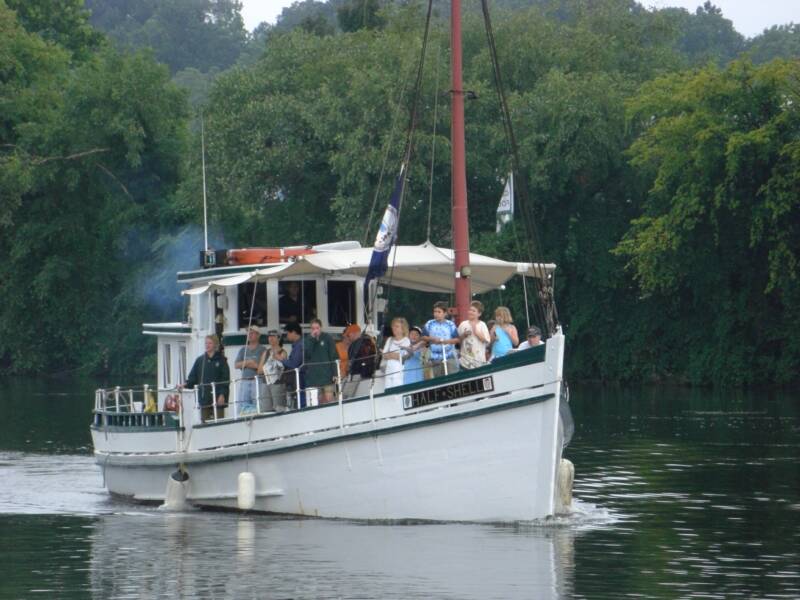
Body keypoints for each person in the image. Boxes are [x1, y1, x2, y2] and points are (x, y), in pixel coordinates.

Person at [180, 335, 229, 422]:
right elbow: (193, 377)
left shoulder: (222, 360)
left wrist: (222, 394)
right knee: (204, 422)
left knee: (219, 422)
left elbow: (225, 379)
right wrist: (185, 384)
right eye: (206, 343)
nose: (207, 345)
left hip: (218, 396)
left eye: (210, 343)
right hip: (204, 396)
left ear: (215, 345)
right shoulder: (200, 360)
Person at [304, 318, 338, 404]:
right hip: (313, 377)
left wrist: (335, 373)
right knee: (317, 401)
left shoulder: (327, 338)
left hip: (327, 376)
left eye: (317, 328)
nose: (315, 330)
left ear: (321, 328)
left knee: (330, 399)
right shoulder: (307, 340)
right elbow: (307, 355)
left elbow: (333, 356)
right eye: (313, 328)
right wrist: (312, 339)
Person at [422, 301, 459, 377]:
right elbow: (423, 337)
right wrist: (432, 339)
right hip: (435, 358)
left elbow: (457, 339)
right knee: (438, 381)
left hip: (449, 357)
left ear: (445, 313)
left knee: (452, 379)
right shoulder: (429, 323)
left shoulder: (450, 324)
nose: (436, 314)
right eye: (435, 312)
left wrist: (445, 341)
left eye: (439, 312)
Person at [234, 325, 265, 415]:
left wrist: (252, 364)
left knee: (258, 406)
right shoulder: (243, 350)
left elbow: (262, 368)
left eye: (252, 333)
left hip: (257, 381)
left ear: (258, 335)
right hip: (244, 381)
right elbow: (236, 365)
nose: (249, 335)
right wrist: (248, 362)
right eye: (248, 333)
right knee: (243, 408)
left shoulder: (263, 350)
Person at [257, 329, 288, 412]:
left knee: (279, 408)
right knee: (265, 409)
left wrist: (267, 368)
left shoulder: (283, 352)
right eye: (269, 336)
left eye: (273, 336)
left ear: (279, 338)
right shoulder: (266, 352)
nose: (270, 338)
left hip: (278, 384)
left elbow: (279, 369)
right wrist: (270, 368)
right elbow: (259, 370)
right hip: (265, 383)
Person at [344, 331, 380, 398]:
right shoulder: (369, 343)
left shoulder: (354, 344)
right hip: (365, 373)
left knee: (348, 395)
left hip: (354, 372)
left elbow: (350, 356)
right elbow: (372, 358)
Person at [457, 300, 490, 369]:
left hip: (479, 361)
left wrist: (477, 333)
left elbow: (487, 341)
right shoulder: (463, 324)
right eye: (470, 310)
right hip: (464, 361)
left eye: (473, 311)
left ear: (479, 314)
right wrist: (463, 335)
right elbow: (457, 341)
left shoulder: (482, 325)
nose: (470, 312)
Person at [280, 322, 305, 408]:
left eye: (288, 333)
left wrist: (282, 360)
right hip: (298, 380)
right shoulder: (298, 345)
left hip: (301, 379)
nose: (287, 336)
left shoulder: (300, 345)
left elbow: (295, 364)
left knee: (301, 402)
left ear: (294, 332)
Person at [381, 317, 411, 389]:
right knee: (388, 391)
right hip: (388, 371)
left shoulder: (406, 341)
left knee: (398, 391)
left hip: (399, 372)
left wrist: (391, 355)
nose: (394, 328)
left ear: (403, 328)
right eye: (393, 326)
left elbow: (404, 357)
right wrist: (395, 355)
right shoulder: (390, 340)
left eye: (397, 326)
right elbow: (384, 355)